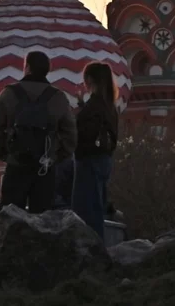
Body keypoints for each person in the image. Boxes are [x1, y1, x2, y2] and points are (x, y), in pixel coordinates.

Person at [0, 51, 77, 213]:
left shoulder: (9, 94)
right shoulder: (57, 97)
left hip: (16, 165)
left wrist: (5, 155)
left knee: (10, 219)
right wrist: (55, 157)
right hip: (44, 168)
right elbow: (70, 135)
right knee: (42, 220)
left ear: (27, 68)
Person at [72, 62, 119, 239]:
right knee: (96, 206)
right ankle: (97, 246)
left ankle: (91, 249)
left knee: (85, 209)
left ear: (90, 79)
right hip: (104, 159)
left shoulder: (94, 106)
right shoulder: (109, 105)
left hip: (89, 160)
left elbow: (86, 135)